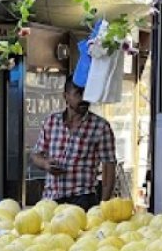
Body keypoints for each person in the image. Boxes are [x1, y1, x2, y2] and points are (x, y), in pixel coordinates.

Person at [30, 75, 117, 210]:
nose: (84, 98)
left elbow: (109, 167)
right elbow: (36, 155)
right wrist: (46, 164)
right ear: (66, 96)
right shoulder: (51, 122)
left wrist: (103, 206)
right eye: (78, 94)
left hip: (83, 199)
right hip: (51, 199)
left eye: (87, 93)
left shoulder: (100, 126)